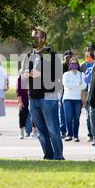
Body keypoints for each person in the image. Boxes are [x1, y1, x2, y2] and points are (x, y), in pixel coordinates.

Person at [22, 27, 64, 160]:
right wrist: (24, 74)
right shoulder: (29, 55)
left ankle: (58, 156)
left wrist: (40, 74)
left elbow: (58, 75)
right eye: (32, 37)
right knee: (41, 131)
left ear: (43, 39)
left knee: (52, 130)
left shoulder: (50, 54)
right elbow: (23, 73)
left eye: (37, 37)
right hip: (33, 98)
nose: (34, 39)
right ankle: (48, 155)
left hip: (48, 97)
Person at [62, 56, 86, 142]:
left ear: (78, 65)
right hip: (67, 98)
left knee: (76, 118)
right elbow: (66, 85)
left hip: (78, 99)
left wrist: (73, 86)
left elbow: (84, 86)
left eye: (75, 63)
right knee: (68, 117)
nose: (74, 65)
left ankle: (76, 136)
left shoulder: (81, 74)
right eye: (72, 63)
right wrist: (77, 85)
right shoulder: (66, 74)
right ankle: (69, 135)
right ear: (69, 65)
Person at [16, 72, 37, 139]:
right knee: (22, 115)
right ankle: (21, 132)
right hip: (24, 99)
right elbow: (18, 90)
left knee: (34, 116)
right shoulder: (21, 77)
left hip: (33, 99)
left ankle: (34, 132)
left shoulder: (35, 76)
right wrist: (20, 101)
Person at [80, 50, 95, 142]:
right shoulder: (82, 66)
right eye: (86, 54)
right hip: (86, 93)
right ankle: (90, 134)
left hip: (94, 92)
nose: (88, 56)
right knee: (88, 115)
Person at [59, 50, 73, 138]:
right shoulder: (62, 66)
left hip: (73, 93)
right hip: (63, 92)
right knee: (62, 113)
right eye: (67, 57)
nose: (68, 59)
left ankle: (71, 131)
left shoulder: (75, 66)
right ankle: (63, 131)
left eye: (70, 57)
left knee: (71, 114)